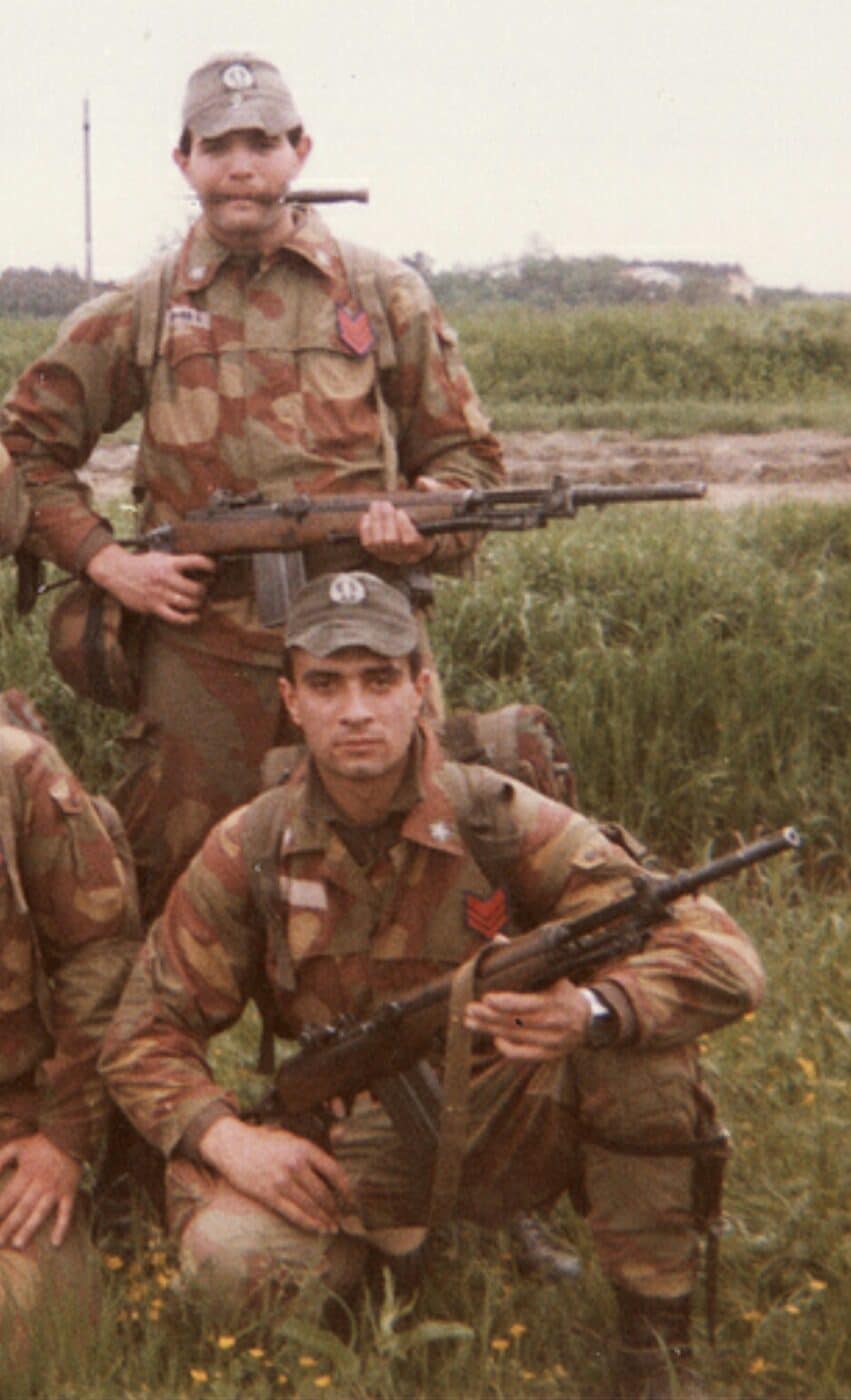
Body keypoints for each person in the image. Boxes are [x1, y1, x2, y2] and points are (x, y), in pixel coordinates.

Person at [100, 572, 765, 1398]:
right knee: (229, 1268)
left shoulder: (498, 818)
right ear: (291, 700)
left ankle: (651, 1348)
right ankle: (379, 1275)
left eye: (379, 680)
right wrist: (229, 1140)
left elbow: (719, 951)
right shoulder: (253, 845)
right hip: (352, 1135)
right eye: (326, 684)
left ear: (419, 691)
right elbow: (142, 1032)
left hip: (512, 1109)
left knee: (641, 1049)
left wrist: (592, 1009)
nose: (355, 711)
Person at [0, 51, 504, 922]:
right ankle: (158, 1058)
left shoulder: (382, 293)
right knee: (172, 896)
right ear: (184, 160)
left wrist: (421, 530)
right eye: (218, 143)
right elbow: (25, 453)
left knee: (407, 887)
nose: (241, 163)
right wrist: (108, 561)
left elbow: (470, 466)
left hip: (366, 656)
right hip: (200, 659)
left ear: (299, 150)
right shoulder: (142, 307)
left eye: (262, 141)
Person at [0, 689, 141, 1363]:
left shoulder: (20, 773)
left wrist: (65, 1139)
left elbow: (101, 957)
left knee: (26, 1337)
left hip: (13, 1124)